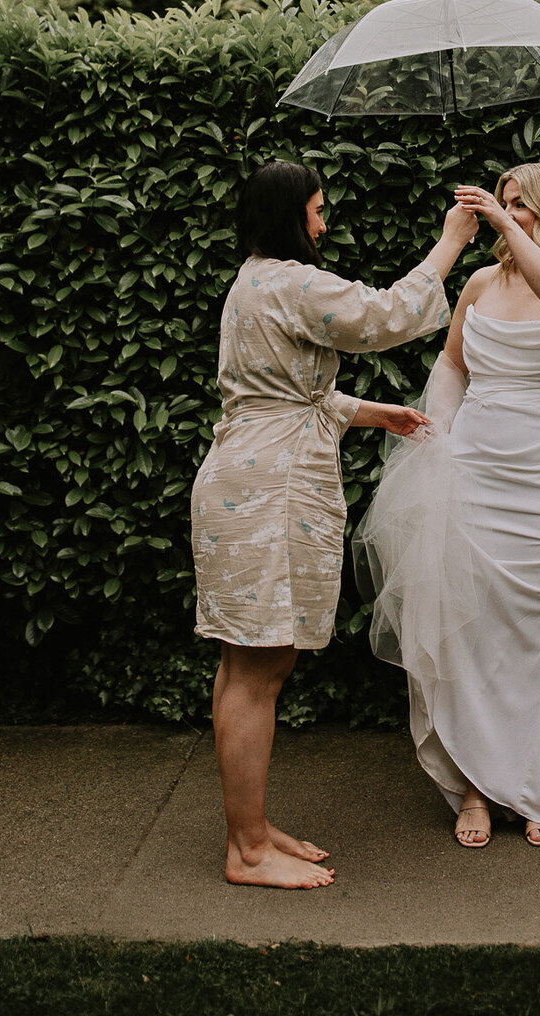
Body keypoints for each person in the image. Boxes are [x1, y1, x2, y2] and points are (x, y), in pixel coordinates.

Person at [191, 159, 477, 889]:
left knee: (251, 665)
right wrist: (450, 242)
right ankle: (247, 851)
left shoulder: (253, 280)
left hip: (246, 474)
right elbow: (384, 317)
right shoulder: (292, 281)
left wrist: (369, 412)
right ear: (291, 215)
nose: (325, 222)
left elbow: (282, 387)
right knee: (257, 669)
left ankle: (250, 829)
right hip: (269, 491)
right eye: (317, 210)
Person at [355, 163, 540, 849]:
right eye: (503, 204)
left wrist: (503, 228)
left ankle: (533, 783)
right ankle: (473, 784)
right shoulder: (479, 283)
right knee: (473, 629)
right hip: (478, 469)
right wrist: (437, 443)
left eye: (521, 206)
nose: (507, 213)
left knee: (536, 630)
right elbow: (453, 364)